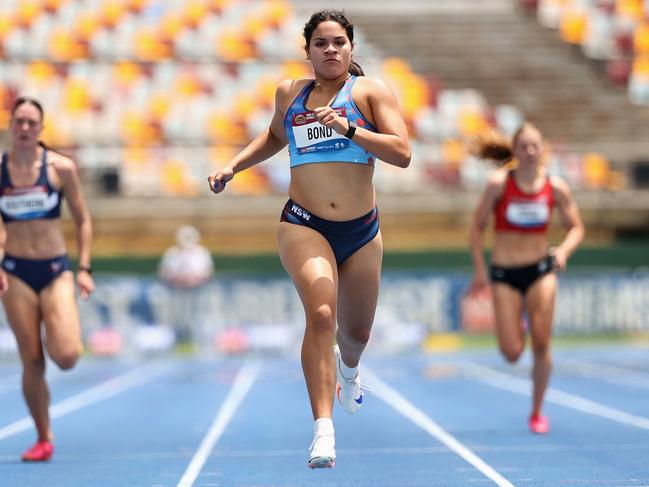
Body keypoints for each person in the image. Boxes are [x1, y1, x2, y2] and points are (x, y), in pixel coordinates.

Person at [208, 10, 410, 468]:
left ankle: (350, 368)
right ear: (308, 51)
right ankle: (323, 430)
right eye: (321, 43)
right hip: (304, 223)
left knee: (355, 334)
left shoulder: (371, 92)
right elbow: (274, 136)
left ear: (351, 47)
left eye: (339, 42)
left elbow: (402, 153)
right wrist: (232, 167)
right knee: (321, 311)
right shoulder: (290, 92)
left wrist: (350, 128)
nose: (331, 50)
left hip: (361, 232)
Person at [467, 123, 584, 434]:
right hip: (505, 275)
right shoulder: (499, 184)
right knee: (511, 353)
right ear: (515, 151)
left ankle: (537, 412)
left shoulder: (556, 187)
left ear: (543, 149)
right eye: (524, 147)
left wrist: (563, 252)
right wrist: (480, 269)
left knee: (542, 343)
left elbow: (576, 227)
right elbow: (476, 227)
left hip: (540, 271)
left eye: (535, 146)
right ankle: (517, 322)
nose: (530, 152)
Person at [0, 97, 95, 461]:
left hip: (54, 269)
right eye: (18, 122)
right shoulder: (2, 169)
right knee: (32, 360)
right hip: (15, 273)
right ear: (11, 126)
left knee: (67, 355)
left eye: (31, 123)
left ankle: (59, 329)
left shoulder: (60, 168)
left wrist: (84, 269)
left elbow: (83, 220)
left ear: (40, 129)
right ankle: (43, 437)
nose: (24, 128)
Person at [158, 225, 214, 340]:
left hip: (198, 291)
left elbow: (208, 272)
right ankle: (176, 339)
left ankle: (197, 339)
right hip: (175, 291)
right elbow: (163, 272)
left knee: (198, 316)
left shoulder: (202, 253)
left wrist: (193, 278)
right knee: (176, 317)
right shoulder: (172, 253)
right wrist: (178, 278)